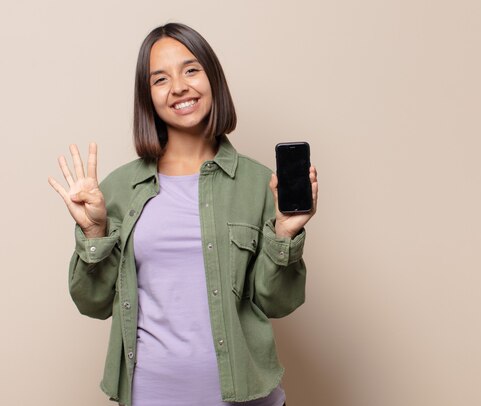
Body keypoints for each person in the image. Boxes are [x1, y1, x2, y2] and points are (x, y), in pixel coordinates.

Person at [48, 22, 318, 406]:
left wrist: (285, 235)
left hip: (249, 398)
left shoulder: (260, 183)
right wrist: (94, 235)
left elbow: (279, 302)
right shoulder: (117, 189)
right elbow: (91, 303)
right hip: (151, 397)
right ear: (148, 96)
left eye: (191, 70)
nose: (178, 86)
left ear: (213, 78)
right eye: (160, 79)